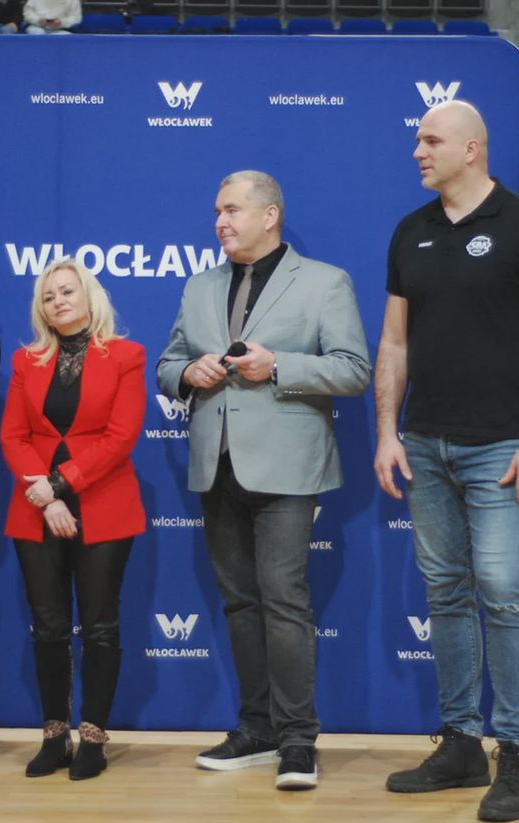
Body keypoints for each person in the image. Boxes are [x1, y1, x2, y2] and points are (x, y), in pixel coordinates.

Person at [373, 101, 519, 823]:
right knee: (447, 593)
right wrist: (388, 431)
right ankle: (461, 742)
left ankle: (513, 751)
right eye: (417, 139)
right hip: (425, 444)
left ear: (472, 148)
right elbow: (394, 342)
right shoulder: (411, 230)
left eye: (431, 140)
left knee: (501, 591)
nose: (418, 151)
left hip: (501, 448)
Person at [156, 170, 370, 791]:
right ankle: (257, 729)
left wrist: (278, 365)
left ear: (270, 215)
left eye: (231, 210)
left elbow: (353, 369)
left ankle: (298, 739)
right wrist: (187, 373)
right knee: (240, 603)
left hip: (288, 468)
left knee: (283, 599)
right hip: (215, 464)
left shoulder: (325, 281)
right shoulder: (200, 285)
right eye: (217, 212)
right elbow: (168, 363)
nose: (220, 222)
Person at [0, 260, 145, 781]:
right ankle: (54, 734)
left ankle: (93, 738)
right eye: (48, 296)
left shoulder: (126, 355)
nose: (58, 301)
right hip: (36, 506)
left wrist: (61, 485)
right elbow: (13, 436)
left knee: (100, 625)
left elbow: (121, 437)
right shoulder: (26, 360)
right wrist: (47, 499)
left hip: (103, 502)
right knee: (49, 626)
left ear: (89, 296)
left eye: (67, 291)